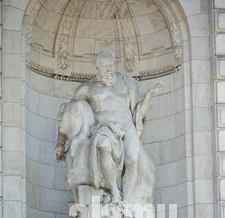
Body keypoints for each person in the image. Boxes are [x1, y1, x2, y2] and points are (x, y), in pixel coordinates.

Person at [54, 50, 162, 206]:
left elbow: (140, 108)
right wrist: (60, 143)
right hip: (103, 128)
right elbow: (69, 114)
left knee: (133, 159)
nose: (109, 70)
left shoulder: (127, 82)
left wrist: (151, 94)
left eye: (111, 65)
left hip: (126, 126)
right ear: (97, 68)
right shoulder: (87, 88)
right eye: (105, 67)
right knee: (102, 146)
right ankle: (115, 193)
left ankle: (126, 203)